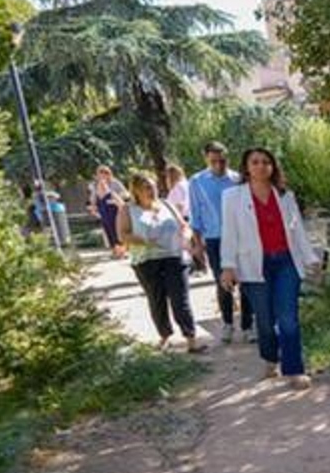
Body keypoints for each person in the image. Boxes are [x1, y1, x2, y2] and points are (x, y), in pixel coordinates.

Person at [220, 147, 319, 389]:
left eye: (266, 162)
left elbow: (298, 232)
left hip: (286, 262)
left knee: (288, 319)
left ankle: (294, 369)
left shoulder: (285, 195)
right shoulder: (232, 197)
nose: (261, 166)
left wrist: (311, 259)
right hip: (254, 265)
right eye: (255, 162)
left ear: (272, 167)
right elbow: (229, 234)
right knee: (264, 320)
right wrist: (228, 266)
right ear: (246, 167)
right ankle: (270, 357)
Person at [119, 171, 206, 354]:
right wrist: (144, 241)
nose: (152, 191)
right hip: (146, 260)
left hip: (174, 257)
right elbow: (123, 235)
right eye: (147, 188)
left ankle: (191, 339)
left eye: (154, 187)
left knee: (180, 298)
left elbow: (184, 226)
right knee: (157, 299)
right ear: (136, 191)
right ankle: (165, 336)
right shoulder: (128, 210)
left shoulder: (166, 204)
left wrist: (186, 237)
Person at [188, 141, 252, 343]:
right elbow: (195, 214)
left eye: (222, 160)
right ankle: (227, 323)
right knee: (223, 282)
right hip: (215, 238)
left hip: (240, 236)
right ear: (206, 159)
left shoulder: (237, 179)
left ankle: (248, 325)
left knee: (245, 280)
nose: (218, 165)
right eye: (214, 161)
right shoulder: (197, 181)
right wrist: (197, 244)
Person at [91, 165, 128, 258]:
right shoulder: (95, 185)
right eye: (100, 174)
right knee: (108, 231)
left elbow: (125, 194)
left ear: (108, 174)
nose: (102, 177)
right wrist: (94, 208)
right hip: (103, 210)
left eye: (104, 174)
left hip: (115, 209)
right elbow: (93, 198)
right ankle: (115, 251)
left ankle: (122, 251)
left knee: (117, 230)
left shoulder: (115, 183)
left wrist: (116, 198)